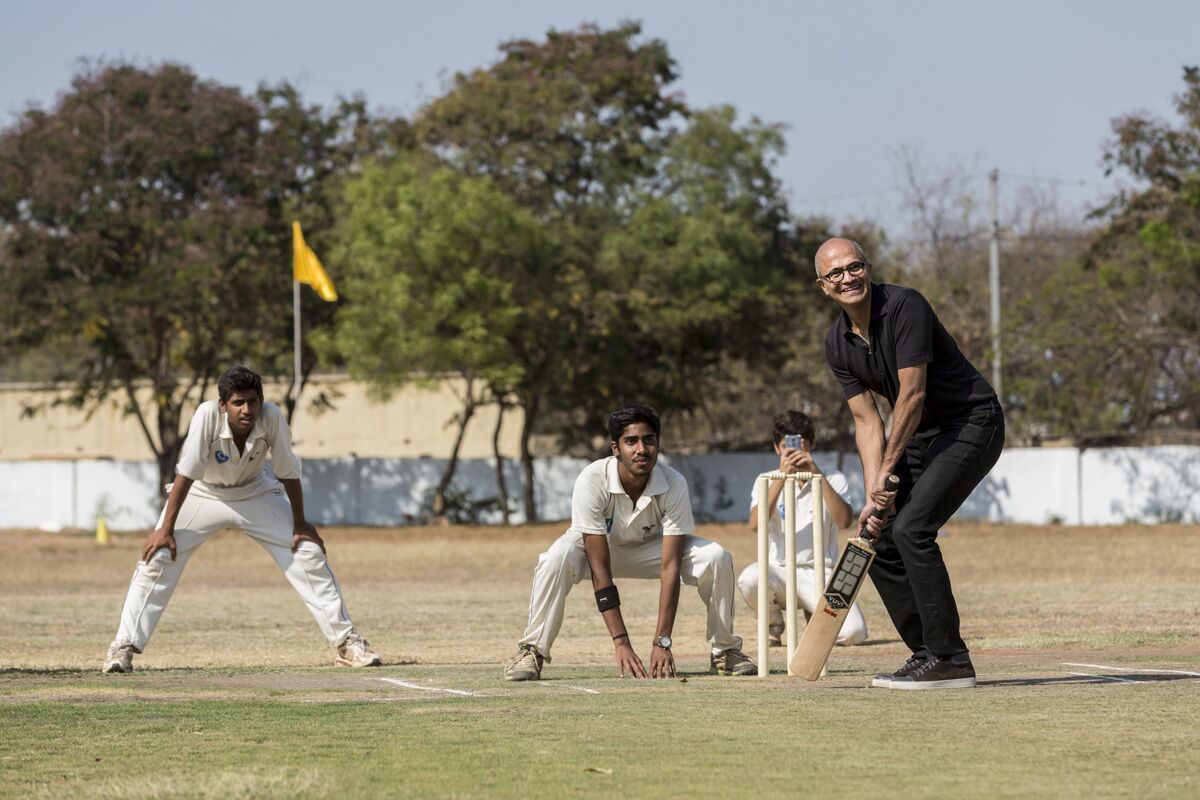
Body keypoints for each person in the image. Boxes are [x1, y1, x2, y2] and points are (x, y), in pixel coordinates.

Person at [815, 238, 1004, 690]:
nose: (848, 277)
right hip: (920, 433)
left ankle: (952, 660)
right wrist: (872, 495)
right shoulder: (837, 344)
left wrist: (887, 474)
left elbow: (912, 395)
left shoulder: (905, 307)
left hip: (971, 421)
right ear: (824, 287)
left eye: (854, 266)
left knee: (912, 528)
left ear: (868, 267)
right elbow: (866, 423)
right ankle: (926, 654)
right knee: (878, 533)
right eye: (836, 273)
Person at [102, 366, 381, 673]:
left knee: (307, 552)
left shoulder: (271, 417)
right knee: (158, 557)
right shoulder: (207, 415)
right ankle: (122, 648)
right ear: (223, 405)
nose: (246, 410)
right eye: (237, 403)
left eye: (252, 401)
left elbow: (288, 471)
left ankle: (347, 643)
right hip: (203, 493)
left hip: (255, 492)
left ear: (261, 400)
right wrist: (165, 529)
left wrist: (300, 524)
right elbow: (187, 473)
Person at [503, 404, 757, 680]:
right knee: (556, 558)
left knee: (716, 557)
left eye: (649, 440)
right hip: (595, 550)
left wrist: (662, 641)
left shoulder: (674, 483)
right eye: (631, 441)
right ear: (615, 448)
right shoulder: (592, 479)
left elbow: (670, 566)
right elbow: (600, 567)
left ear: (658, 444)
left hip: (650, 548)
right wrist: (621, 642)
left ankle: (725, 651)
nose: (641, 449)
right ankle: (532, 651)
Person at [738, 410, 866, 647]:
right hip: (778, 572)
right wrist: (783, 476)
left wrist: (815, 472)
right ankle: (772, 623)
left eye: (801, 446)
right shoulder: (766, 478)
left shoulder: (832, 477)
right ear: (777, 448)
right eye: (788, 447)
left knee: (853, 633)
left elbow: (844, 521)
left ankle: (814, 616)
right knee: (750, 577)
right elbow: (756, 524)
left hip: (822, 573)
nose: (795, 453)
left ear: (812, 444)